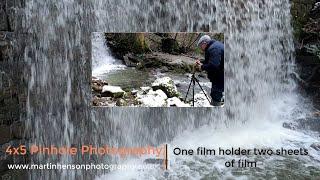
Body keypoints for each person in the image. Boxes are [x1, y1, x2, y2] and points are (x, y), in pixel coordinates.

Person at [195, 35, 224, 107]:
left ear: (204, 43)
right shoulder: (214, 46)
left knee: (216, 93)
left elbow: (214, 66)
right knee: (217, 93)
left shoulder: (214, 48)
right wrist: (202, 62)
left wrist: (201, 67)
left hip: (220, 76)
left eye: (200, 45)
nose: (200, 48)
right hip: (221, 74)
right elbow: (212, 61)